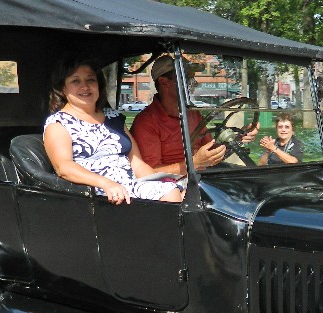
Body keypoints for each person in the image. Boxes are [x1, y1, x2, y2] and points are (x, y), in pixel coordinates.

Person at [43, 57, 182, 205]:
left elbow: (137, 164)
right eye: (75, 81)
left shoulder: (113, 117)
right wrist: (106, 183)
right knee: (171, 197)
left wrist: (167, 181)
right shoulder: (59, 123)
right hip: (94, 194)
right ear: (63, 88)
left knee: (185, 193)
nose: (85, 87)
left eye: (90, 80)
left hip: (129, 186)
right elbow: (64, 167)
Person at [131, 55, 257, 175]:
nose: (194, 83)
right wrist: (193, 164)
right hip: (172, 187)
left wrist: (238, 137)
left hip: (200, 176)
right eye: (186, 78)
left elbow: (209, 151)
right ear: (164, 82)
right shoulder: (146, 122)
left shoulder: (192, 113)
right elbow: (150, 172)